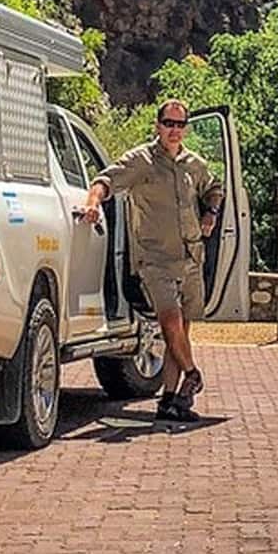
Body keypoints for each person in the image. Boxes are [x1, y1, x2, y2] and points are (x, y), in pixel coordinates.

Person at [81, 98, 222, 419]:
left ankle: (171, 401)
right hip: (155, 260)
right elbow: (104, 180)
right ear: (157, 125)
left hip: (190, 257)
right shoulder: (141, 161)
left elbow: (214, 188)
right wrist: (92, 204)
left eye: (179, 124)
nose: (174, 130)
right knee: (168, 321)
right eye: (168, 123)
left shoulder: (193, 164)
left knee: (180, 332)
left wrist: (211, 213)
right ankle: (193, 374)